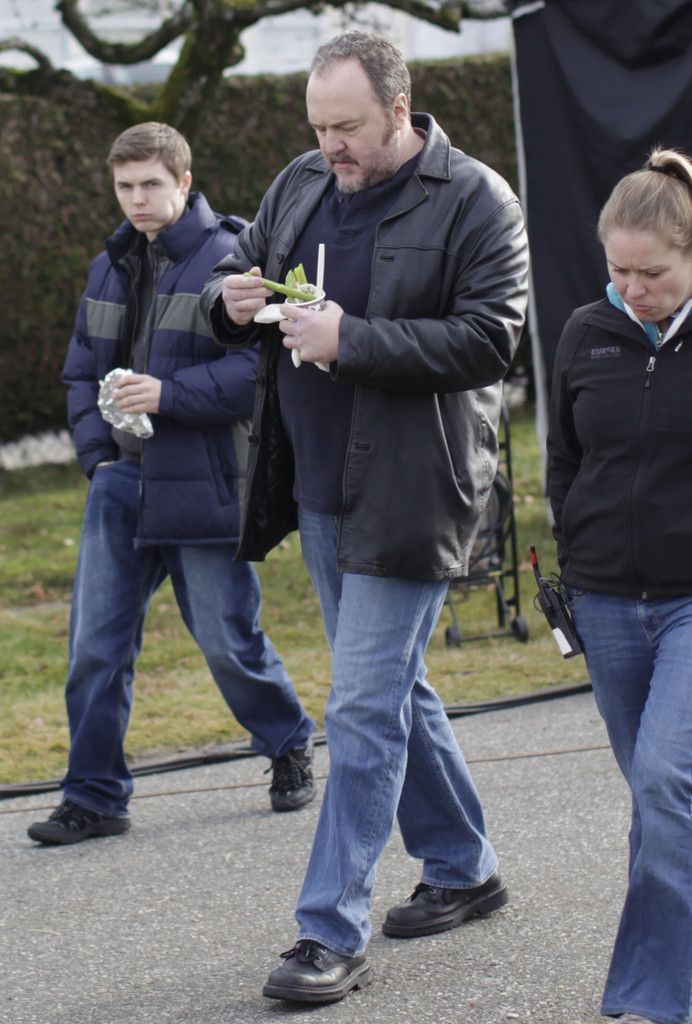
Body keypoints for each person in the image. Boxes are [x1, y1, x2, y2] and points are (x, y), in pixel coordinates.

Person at [200, 31, 529, 1003]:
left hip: (414, 488)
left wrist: (353, 339)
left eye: (344, 127)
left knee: (359, 708)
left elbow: (491, 339)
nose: (328, 145)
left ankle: (327, 929)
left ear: (398, 109)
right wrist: (229, 300)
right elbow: (240, 271)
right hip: (316, 484)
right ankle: (463, 863)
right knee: (390, 690)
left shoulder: (477, 199)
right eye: (317, 127)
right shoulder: (301, 182)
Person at [27, 122, 316, 847]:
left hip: (204, 481)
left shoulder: (232, 258)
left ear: (184, 182)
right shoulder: (108, 266)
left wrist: (169, 395)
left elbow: (261, 373)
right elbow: (80, 371)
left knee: (227, 640)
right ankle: (93, 797)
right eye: (124, 186)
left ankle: (288, 742)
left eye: (150, 184)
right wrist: (98, 460)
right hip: (119, 485)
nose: (136, 199)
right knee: (94, 650)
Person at [546, 147, 692, 1024]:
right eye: (619, 271)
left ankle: (658, 997)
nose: (633, 289)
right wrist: (576, 554)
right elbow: (565, 461)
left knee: (668, 784)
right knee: (658, 800)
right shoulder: (584, 332)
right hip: (603, 603)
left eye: (655, 274)